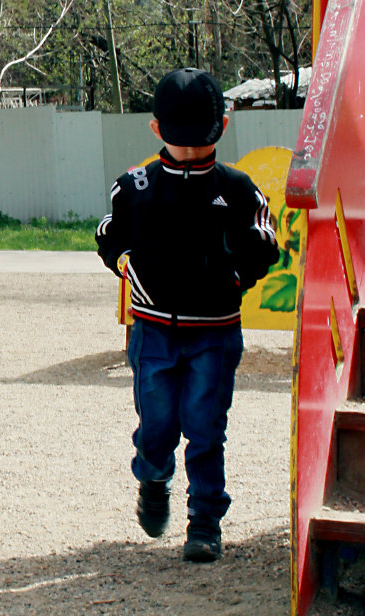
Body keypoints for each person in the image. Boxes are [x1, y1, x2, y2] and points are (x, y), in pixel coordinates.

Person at [95, 68, 279, 562]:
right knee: (156, 424)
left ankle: (205, 522)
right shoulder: (134, 187)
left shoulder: (240, 190)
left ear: (220, 127)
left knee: (205, 427)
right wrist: (128, 268)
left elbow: (265, 243)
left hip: (214, 335)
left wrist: (236, 279)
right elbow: (108, 235)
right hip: (153, 330)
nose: (192, 148)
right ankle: (154, 480)